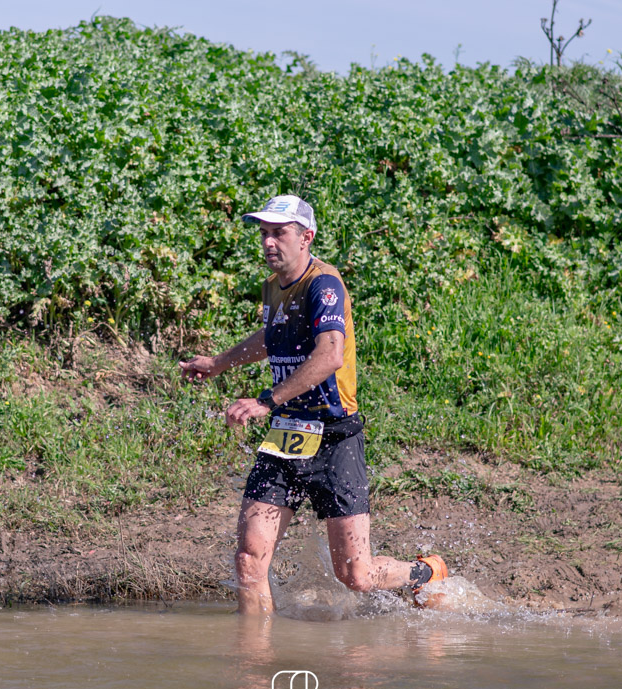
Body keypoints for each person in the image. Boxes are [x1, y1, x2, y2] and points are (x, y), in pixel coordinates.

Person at [179, 194, 448, 615]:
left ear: (306, 237)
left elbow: (330, 355)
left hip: (335, 435)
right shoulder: (273, 286)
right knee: (249, 560)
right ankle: (254, 654)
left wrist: (266, 400)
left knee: (356, 576)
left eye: (279, 233)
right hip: (288, 432)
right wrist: (218, 363)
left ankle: (426, 572)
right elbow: (271, 337)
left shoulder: (324, 284)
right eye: (264, 233)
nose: (269, 242)